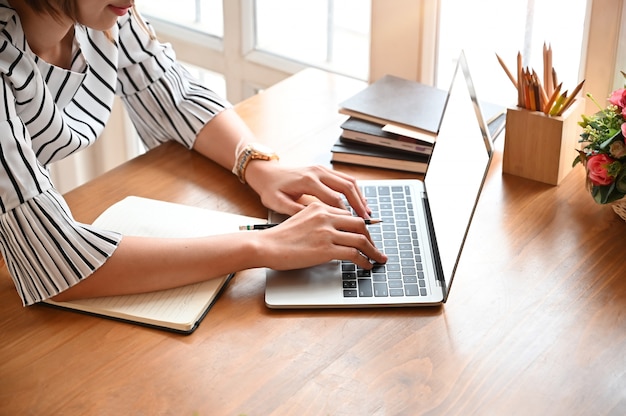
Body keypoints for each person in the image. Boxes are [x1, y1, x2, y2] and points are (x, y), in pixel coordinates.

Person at [0, 0, 387, 306]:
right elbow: (57, 263)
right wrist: (265, 244)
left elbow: (172, 95)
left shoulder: (101, 12)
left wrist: (255, 162)